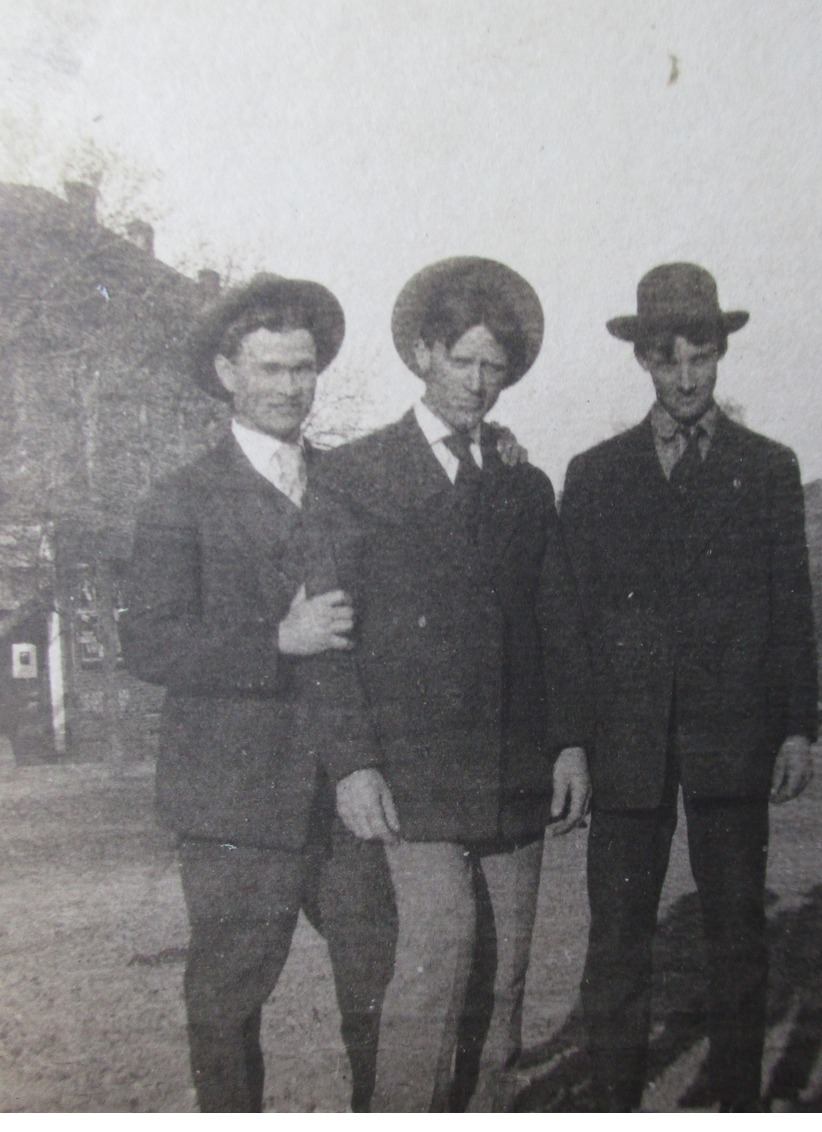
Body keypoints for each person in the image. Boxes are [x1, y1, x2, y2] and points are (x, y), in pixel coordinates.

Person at [540, 262, 819, 1111]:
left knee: (737, 936)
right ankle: (615, 1105)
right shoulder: (595, 473)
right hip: (625, 749)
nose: (687, 376)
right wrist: (573, 740)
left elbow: (790, 603)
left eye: (702, 355)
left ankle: (736, 1104)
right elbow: (570, 620)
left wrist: (798, 725)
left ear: (722, 356)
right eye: (669, 358)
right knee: (618, 941)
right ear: (644, 363)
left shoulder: (767, 468)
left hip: (734, 740)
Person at [316, 257, 590, 1111]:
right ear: (425, 354)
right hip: (412, 775)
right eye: (462, 361)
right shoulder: (353, 475)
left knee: (506, 979)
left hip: (515, 769)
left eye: (494, 369)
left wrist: (571, 740)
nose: (477, 384)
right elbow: (328, 638)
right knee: (434, 968)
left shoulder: (523, 483)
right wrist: (354, 763)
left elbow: (558, 630)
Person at [118, 274, 397, 1112]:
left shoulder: (350, 489)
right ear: (227, 373)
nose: (289, 388)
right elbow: (148, 640)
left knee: (380, 983)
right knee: (229, 1002)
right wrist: (275, 640)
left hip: (345, 794)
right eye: (270, 369)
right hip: (232, 803)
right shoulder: (181, 499)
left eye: (303, 370)